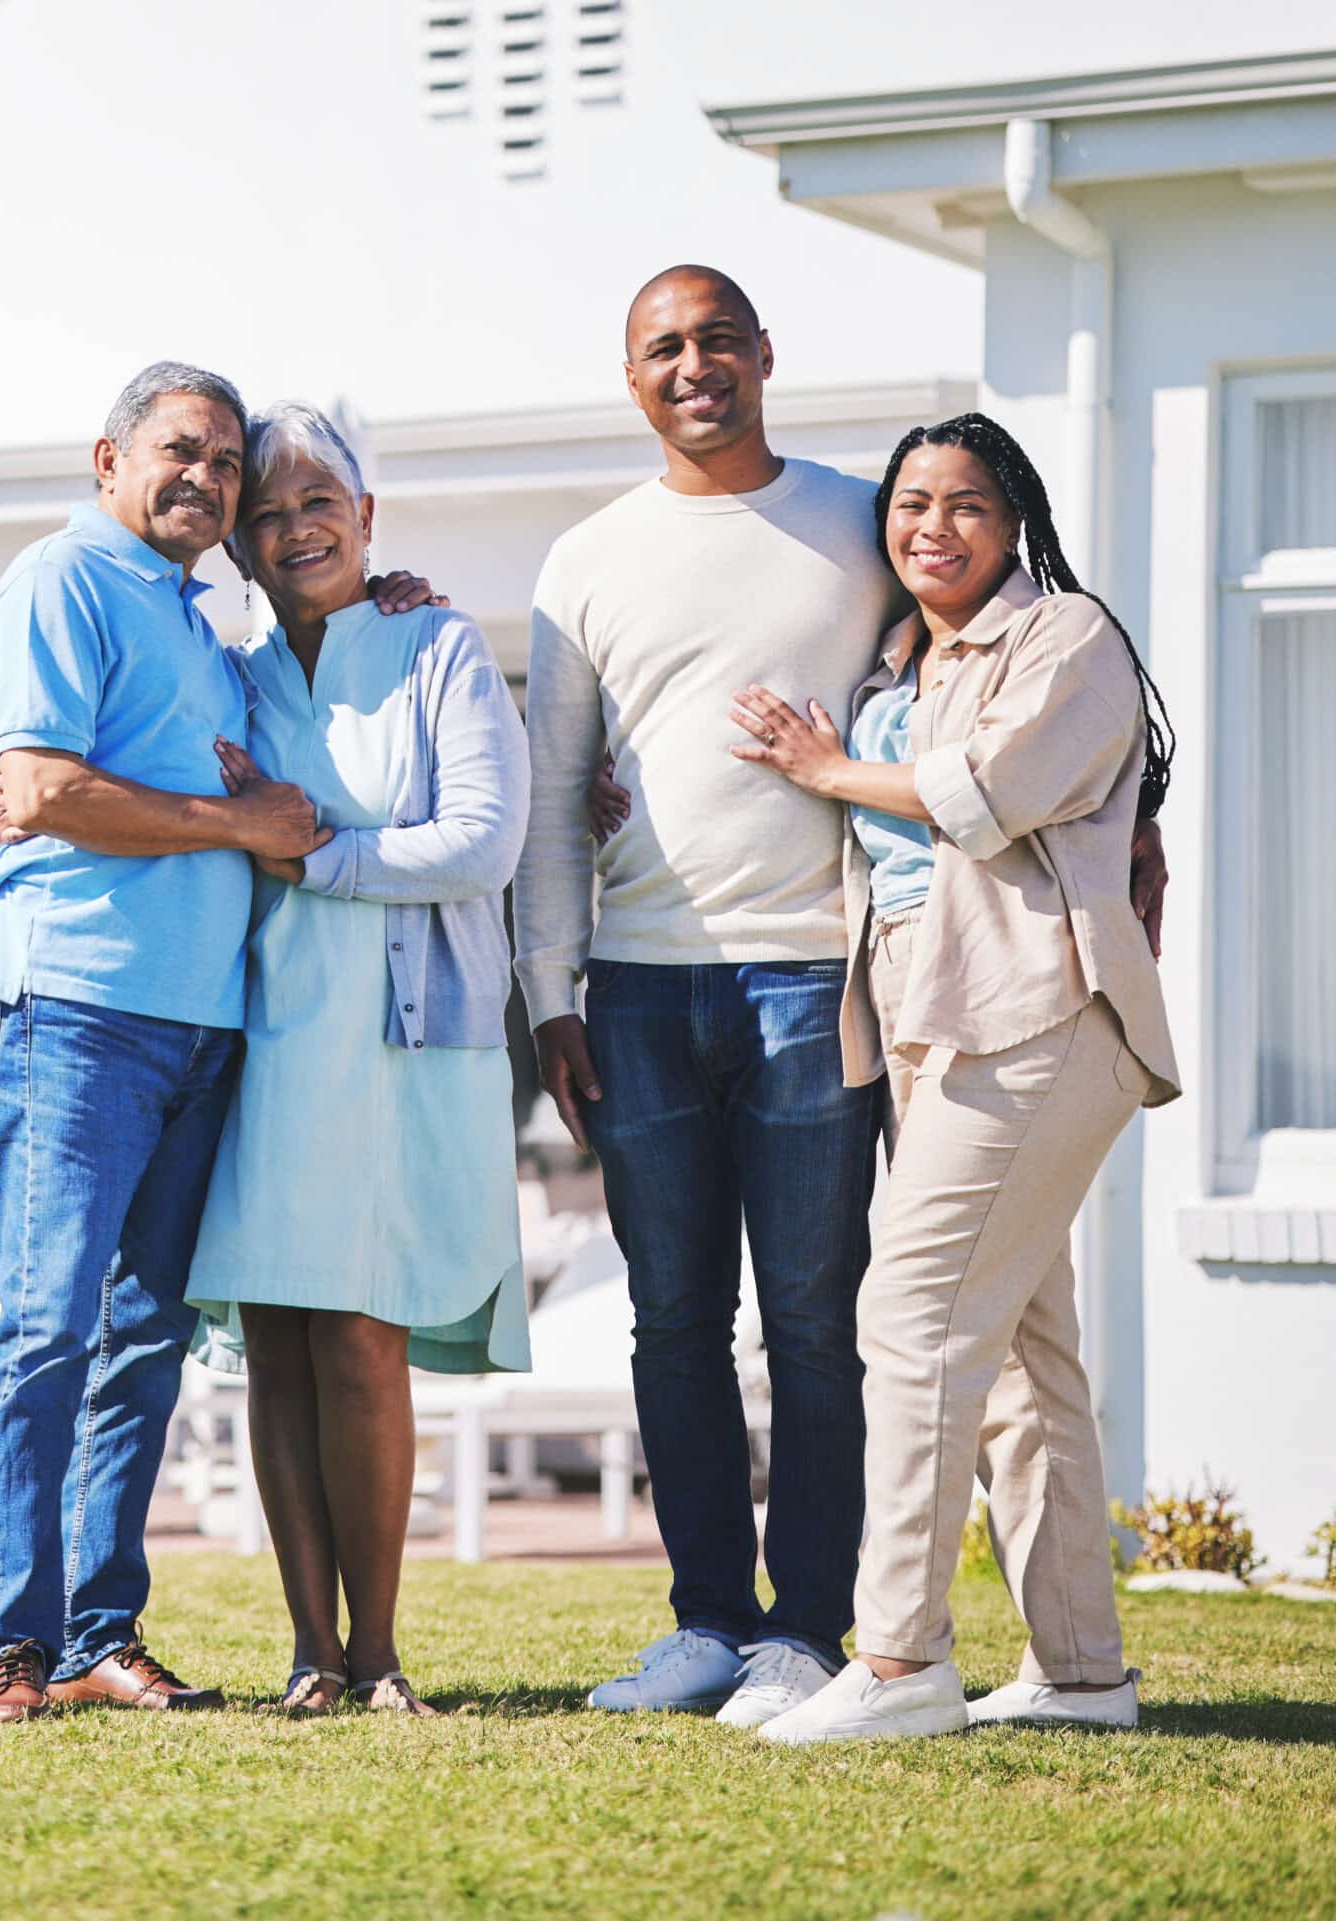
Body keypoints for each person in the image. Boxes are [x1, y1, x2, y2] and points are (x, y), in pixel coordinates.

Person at [0, 363, 432, 1723]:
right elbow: (38, 786)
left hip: (200, 1026)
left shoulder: (204, 620)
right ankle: (8, 1643)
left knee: (141, 1336)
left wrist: (384, 594)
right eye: (183, 452)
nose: (208, 481)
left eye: (226, 464)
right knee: (48, 1325)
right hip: (78, 1007)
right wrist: (239, 826)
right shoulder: (60, 581)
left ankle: (106, 1631)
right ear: (108, 457)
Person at [729, 414, 1179, 1745]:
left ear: (1014, 516)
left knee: (912, 1317)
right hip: (932, 1019)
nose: (933, 526)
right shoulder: (897, 657)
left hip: (1038, 1011)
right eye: (911, 502)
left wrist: (826, 766)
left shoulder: (1068, 635)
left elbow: (996, 792)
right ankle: (1081, 1674)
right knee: (1028, 1361)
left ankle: (901, 1658)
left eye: (966, 503)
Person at [515, 265, 898, 1728]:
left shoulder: (865, 521)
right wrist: (553, 989)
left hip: (816, 974)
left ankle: (807, 1628)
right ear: (634, 379)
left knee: (813, 1314)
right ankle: (704, 1626)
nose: (695, 365)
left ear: (765, 353)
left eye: (718, 339)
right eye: (665, 348)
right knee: (673, 1316)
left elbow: (984, 664)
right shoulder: (587, 557)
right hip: (640, 990)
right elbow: (553, 795)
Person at [181, 402, 530, 1717]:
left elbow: (484, 842)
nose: (294, 526)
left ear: (367, 514)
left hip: (399, 1043)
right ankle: (308, 1655)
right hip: (264, 1034)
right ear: (241, 548)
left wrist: (320, 852)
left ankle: (377, 1650)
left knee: (361, 1336)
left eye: (319, 499)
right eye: (265, 513)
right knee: (276, 1332)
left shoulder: (437, 645)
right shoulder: (231, 669)